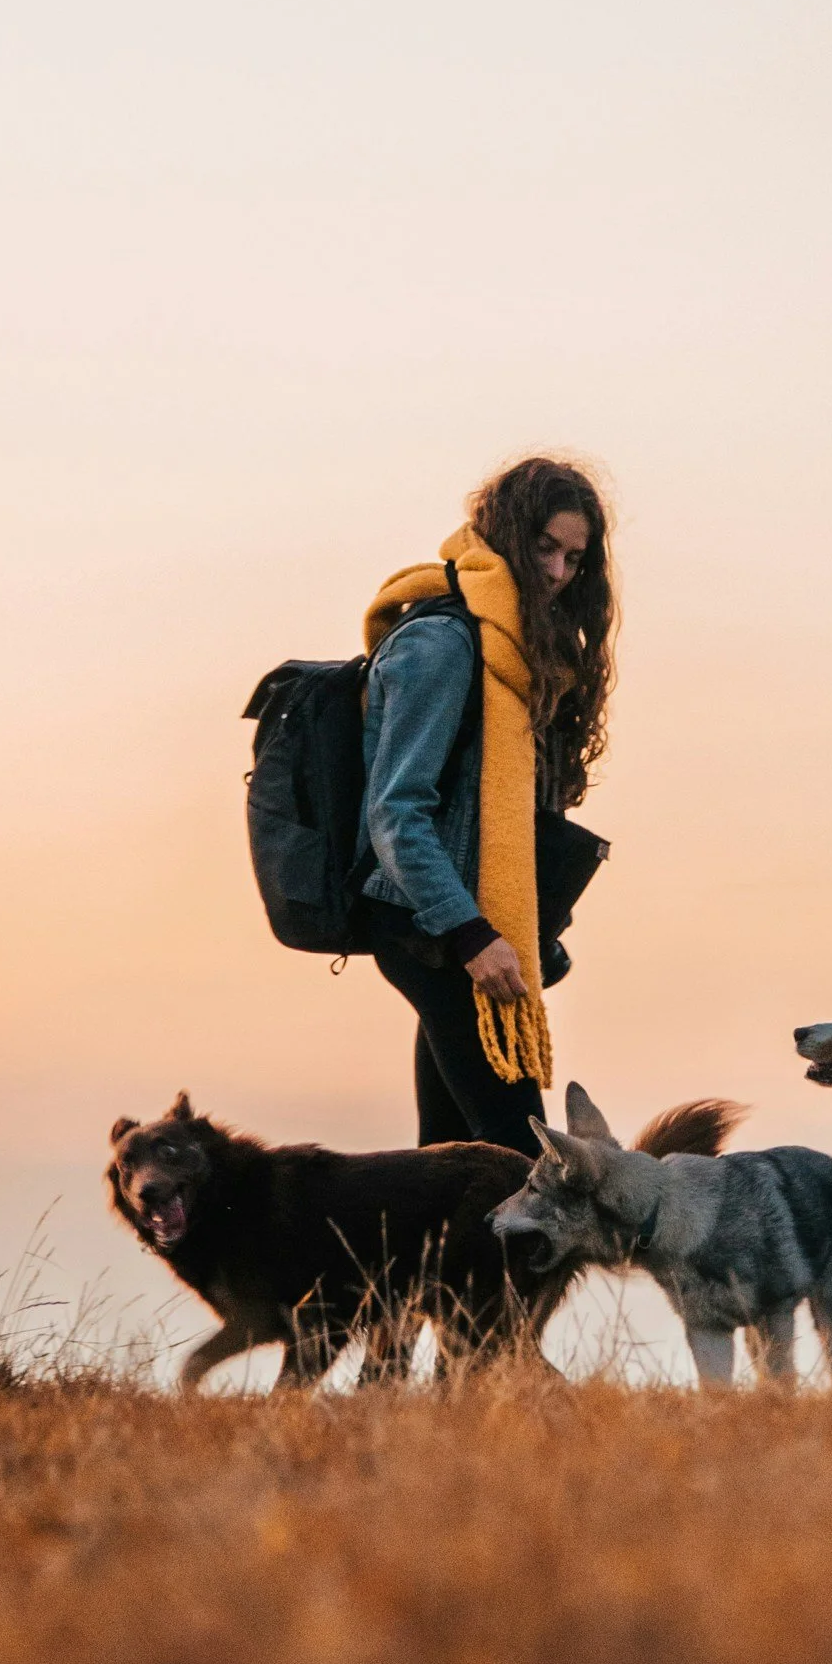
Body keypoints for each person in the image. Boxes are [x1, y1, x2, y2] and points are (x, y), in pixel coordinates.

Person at [359, 456, 616, 1154]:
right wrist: (471, 935)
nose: (560, 571)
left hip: (467, 923)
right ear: (506, 535)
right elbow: (396, 811)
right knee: (522, 1160)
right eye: (545, 548)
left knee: (449, 1159)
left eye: (574, 557)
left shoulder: (517, 652)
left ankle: (421, 1269)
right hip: (432, 925)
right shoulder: (442, 643)